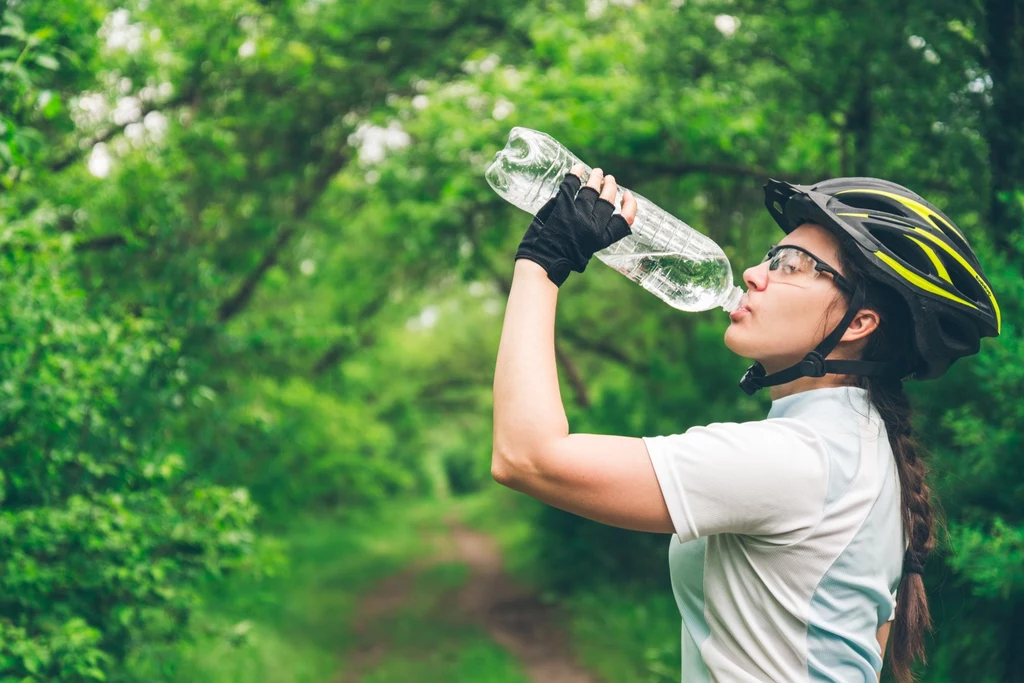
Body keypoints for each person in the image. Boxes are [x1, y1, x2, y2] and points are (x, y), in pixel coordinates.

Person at [490, 164, 1001, 683]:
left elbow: (526, 457)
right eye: (769, 258)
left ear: (860, 324)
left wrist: (542, 262)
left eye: (792, 265)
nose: (755, 274)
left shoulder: (798, 458)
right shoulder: (868, 450)